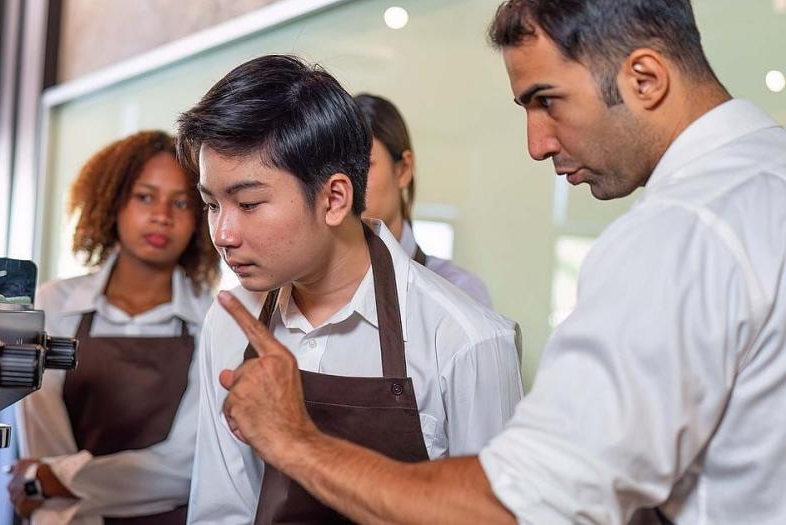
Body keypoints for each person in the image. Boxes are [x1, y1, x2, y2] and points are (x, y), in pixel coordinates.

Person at [212, 0, 786, 523]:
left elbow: (521, 506)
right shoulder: (766, 179)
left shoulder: (682, 232)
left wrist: (294, 441)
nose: (536, 143)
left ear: (645, 78)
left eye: (547, 100)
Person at [178, 54, 523, 524]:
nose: (223, 233)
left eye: (249, 203)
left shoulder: (467, 338)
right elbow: (222, 510)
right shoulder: (230, 319)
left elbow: (495, 516)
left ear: (334, 198)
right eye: (212, 204)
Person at [9, 131, 220, 524]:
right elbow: (45, 441)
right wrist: (51, 481)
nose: (162, 215)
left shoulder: (212, 319)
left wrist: (52, 480)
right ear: (113, 202)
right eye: (145, 196)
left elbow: (188, 467)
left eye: (181, 203)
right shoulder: (52, 304)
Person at [355, 93, 494, 308]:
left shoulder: (458, 292)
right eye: (337, 168)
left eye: (364, 165)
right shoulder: (310, 292)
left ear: (403, 170)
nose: (348, 182)